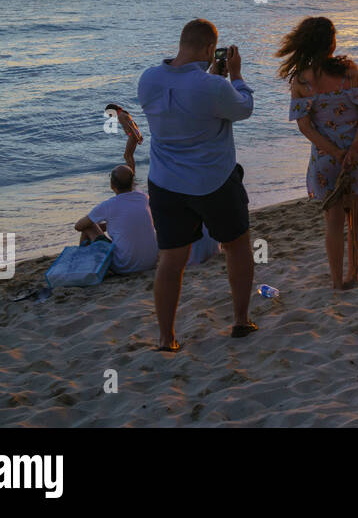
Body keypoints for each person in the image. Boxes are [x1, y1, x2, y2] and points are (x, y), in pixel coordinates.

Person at [137, 18, 256, 351]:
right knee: (237, 246)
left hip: (165, 183)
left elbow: (185, 101)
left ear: (180, 43)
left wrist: (214, 79)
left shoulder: (148, 80)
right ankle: (241, 321)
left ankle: (166, 338)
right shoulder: (214, 88)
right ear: (209, 49)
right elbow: (243, 108)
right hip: (213, 180)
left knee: (171, 260)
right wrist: (235, 75)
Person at [279, 17, 358, 290]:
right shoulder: (349, 71)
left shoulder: (301, 79)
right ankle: (353, 274)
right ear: (330, 42)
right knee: (357, 216)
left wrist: (335, 152)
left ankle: (337, 281)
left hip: (326, 157)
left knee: (333, 221)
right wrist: (352, 150)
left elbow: (304, 126)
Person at [74, 109, 217, 275]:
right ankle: (129, 173)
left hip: (125, 266)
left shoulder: (108, 205)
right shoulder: (145, 198)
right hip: (152, 260)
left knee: (89, 228)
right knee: (129, 160)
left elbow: (79, 226)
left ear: (112, 186)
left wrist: (134, 136)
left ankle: (80, 263)